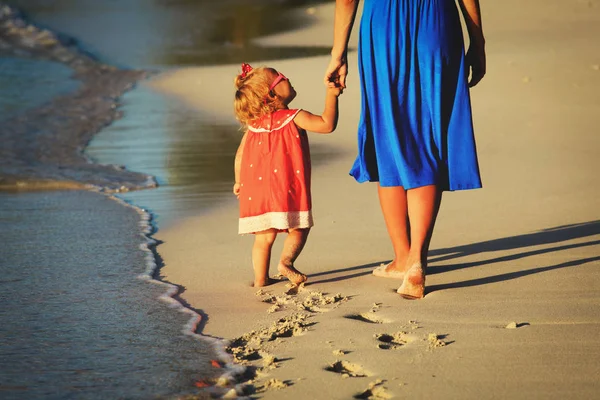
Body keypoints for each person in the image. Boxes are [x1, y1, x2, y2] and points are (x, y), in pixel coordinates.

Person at [324, 0, 486, 299]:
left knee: (389, 136)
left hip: (383, 25)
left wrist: (338, 53)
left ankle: (403, 257)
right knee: (428, 139)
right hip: (437, 22)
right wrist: (478, 41)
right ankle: (414, 260)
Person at [233, 63, 342, 287]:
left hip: (256, 189)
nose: (287, 77)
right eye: (280, 77)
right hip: (287, 185)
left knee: (263, 238)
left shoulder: (253, 126)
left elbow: (240, 156)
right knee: (299, 227)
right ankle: (285, 262)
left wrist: (238, 182)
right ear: (272, 94)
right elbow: (327, 125)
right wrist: (332, 94)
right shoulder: (294, 116)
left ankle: (260, 279)